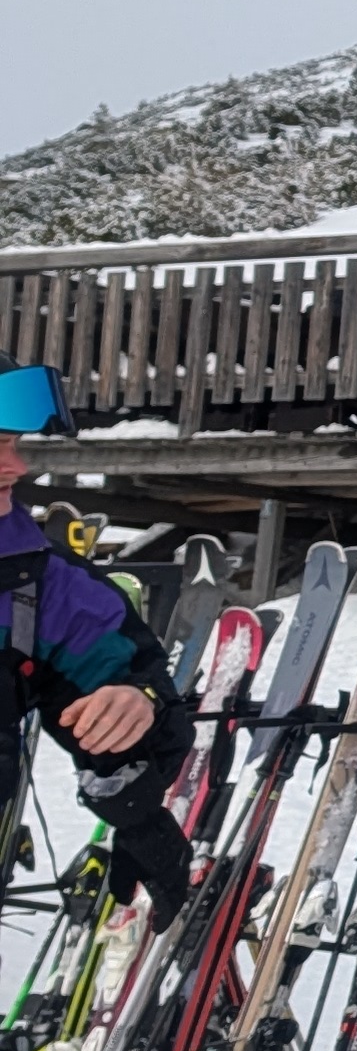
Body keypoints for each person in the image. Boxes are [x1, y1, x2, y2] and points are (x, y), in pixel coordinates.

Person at [0, 364, 192, 914]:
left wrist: (135, 704)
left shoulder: (32, 578)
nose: (16, 466)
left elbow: (119, 668)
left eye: (12, 444)